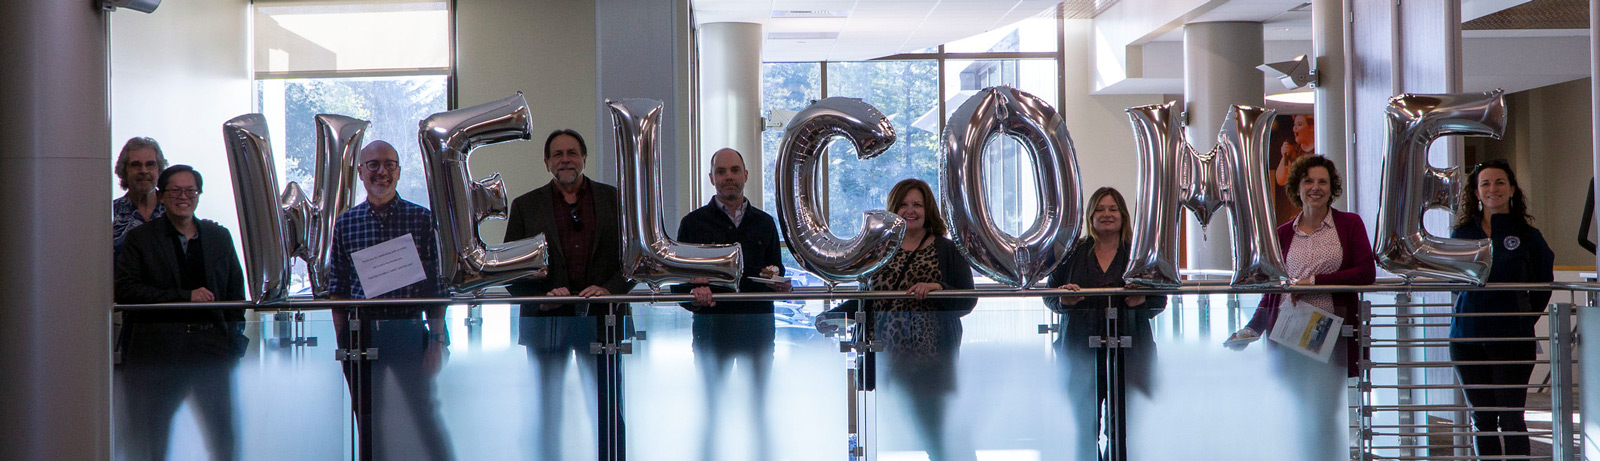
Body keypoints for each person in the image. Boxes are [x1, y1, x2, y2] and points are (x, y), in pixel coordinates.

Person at [1227, 154, 1375, 460]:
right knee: (1292, 416)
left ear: (1332, 188)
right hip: (1288, 336)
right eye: (1309, 181)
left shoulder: (1349, 224)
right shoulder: (1282, 233)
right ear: (1298, 186)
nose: (1315, 188)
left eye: (1323, 181)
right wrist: (1252, 329)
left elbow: (1366, 272)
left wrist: (1314, 281)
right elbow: (1272, 290)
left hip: (1330, 335)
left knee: (1324, 414)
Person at [505, 129, 636, 461]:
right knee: (546, 409)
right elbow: (508, 270)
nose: (566, 159)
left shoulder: (615, 199)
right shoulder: (525, 206)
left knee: (608, 408)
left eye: (572, 152)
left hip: (603, 323)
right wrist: (542, 297)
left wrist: (610, 291)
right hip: (546, 324)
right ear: (547, 162)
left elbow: (636, 259)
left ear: (584, 159)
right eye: (558, 154)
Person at [326, 140, 454, 460]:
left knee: (426, 416)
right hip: (362, 335)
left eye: (389, 164)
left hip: (409, 332)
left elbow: (435, 288)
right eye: (373, 165)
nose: (381, 172)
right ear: (360, 172)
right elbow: (338, 287)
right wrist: (343, 342)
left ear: (398, 171)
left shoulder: (422, 219)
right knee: (367, 421)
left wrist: (437, 341)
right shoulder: (346, 222)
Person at [836, 178, 976, 461]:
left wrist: (939, 290)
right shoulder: (879, 250)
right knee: (907, 435)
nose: (910, 210)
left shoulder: (947, 249)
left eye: (917, 205)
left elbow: (967, 299)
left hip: (932, 363)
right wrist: (833, 315)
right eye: (903, 204)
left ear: (928, 210)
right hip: (888, 361)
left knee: (941, 435)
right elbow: (869, 300)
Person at [114, 165, 246, 461]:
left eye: (190, 191)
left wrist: (235, 343)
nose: (183, 197)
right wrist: (184, 297)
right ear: (161, 196)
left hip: (211, 350)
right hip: (158, 350)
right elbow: (126, 290)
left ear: (198, 195)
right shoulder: (141, 239)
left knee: (223, 437)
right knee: (153, 437)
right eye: (175, 191)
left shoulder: (218, 236)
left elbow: (235, 293)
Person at [673, 148, 792, 460]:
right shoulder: (693, 224)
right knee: (712, 409)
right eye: (722, 171)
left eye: (735, 170)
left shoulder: (765, 224)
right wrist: (695, 294)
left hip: (758, 329)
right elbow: (678, 283)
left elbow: (775, 273)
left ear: (746, 176)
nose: (729, 177)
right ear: (711, 178)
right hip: (713, 329)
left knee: (760, 408)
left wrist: (780, 284)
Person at [1044, 187, 1165, 461]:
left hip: (1129, 355)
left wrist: (1142, 300)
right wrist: (1065, 300)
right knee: (1083, 428)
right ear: (1090, 216)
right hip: (1080, 352)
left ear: (1123, 215)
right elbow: (1049, 296)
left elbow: (1161, 300)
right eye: (1100, 209)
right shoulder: (1072, 252)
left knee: (1124, 429)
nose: (1107, 214)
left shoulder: (1140, 253)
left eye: (1113, 209)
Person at [1448, 159, 1553, 458]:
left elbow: (1543, 281)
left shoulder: (1528, 236)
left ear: (1511, 189)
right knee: (1482, 420)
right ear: (1476, 193)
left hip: (1511, 340)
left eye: (1499, 182)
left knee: (1511, 419)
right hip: (1467, 339)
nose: (1493, 189)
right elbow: (1456, 284)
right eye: (1485, 184)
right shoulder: (1461, 235)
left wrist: (1521, 318)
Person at [113, 137, 168, 256]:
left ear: (159, 170)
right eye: (135, 165)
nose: (143, 171)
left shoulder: (173, 211)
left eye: (150, 164)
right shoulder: (109, 213)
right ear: (124, 171)